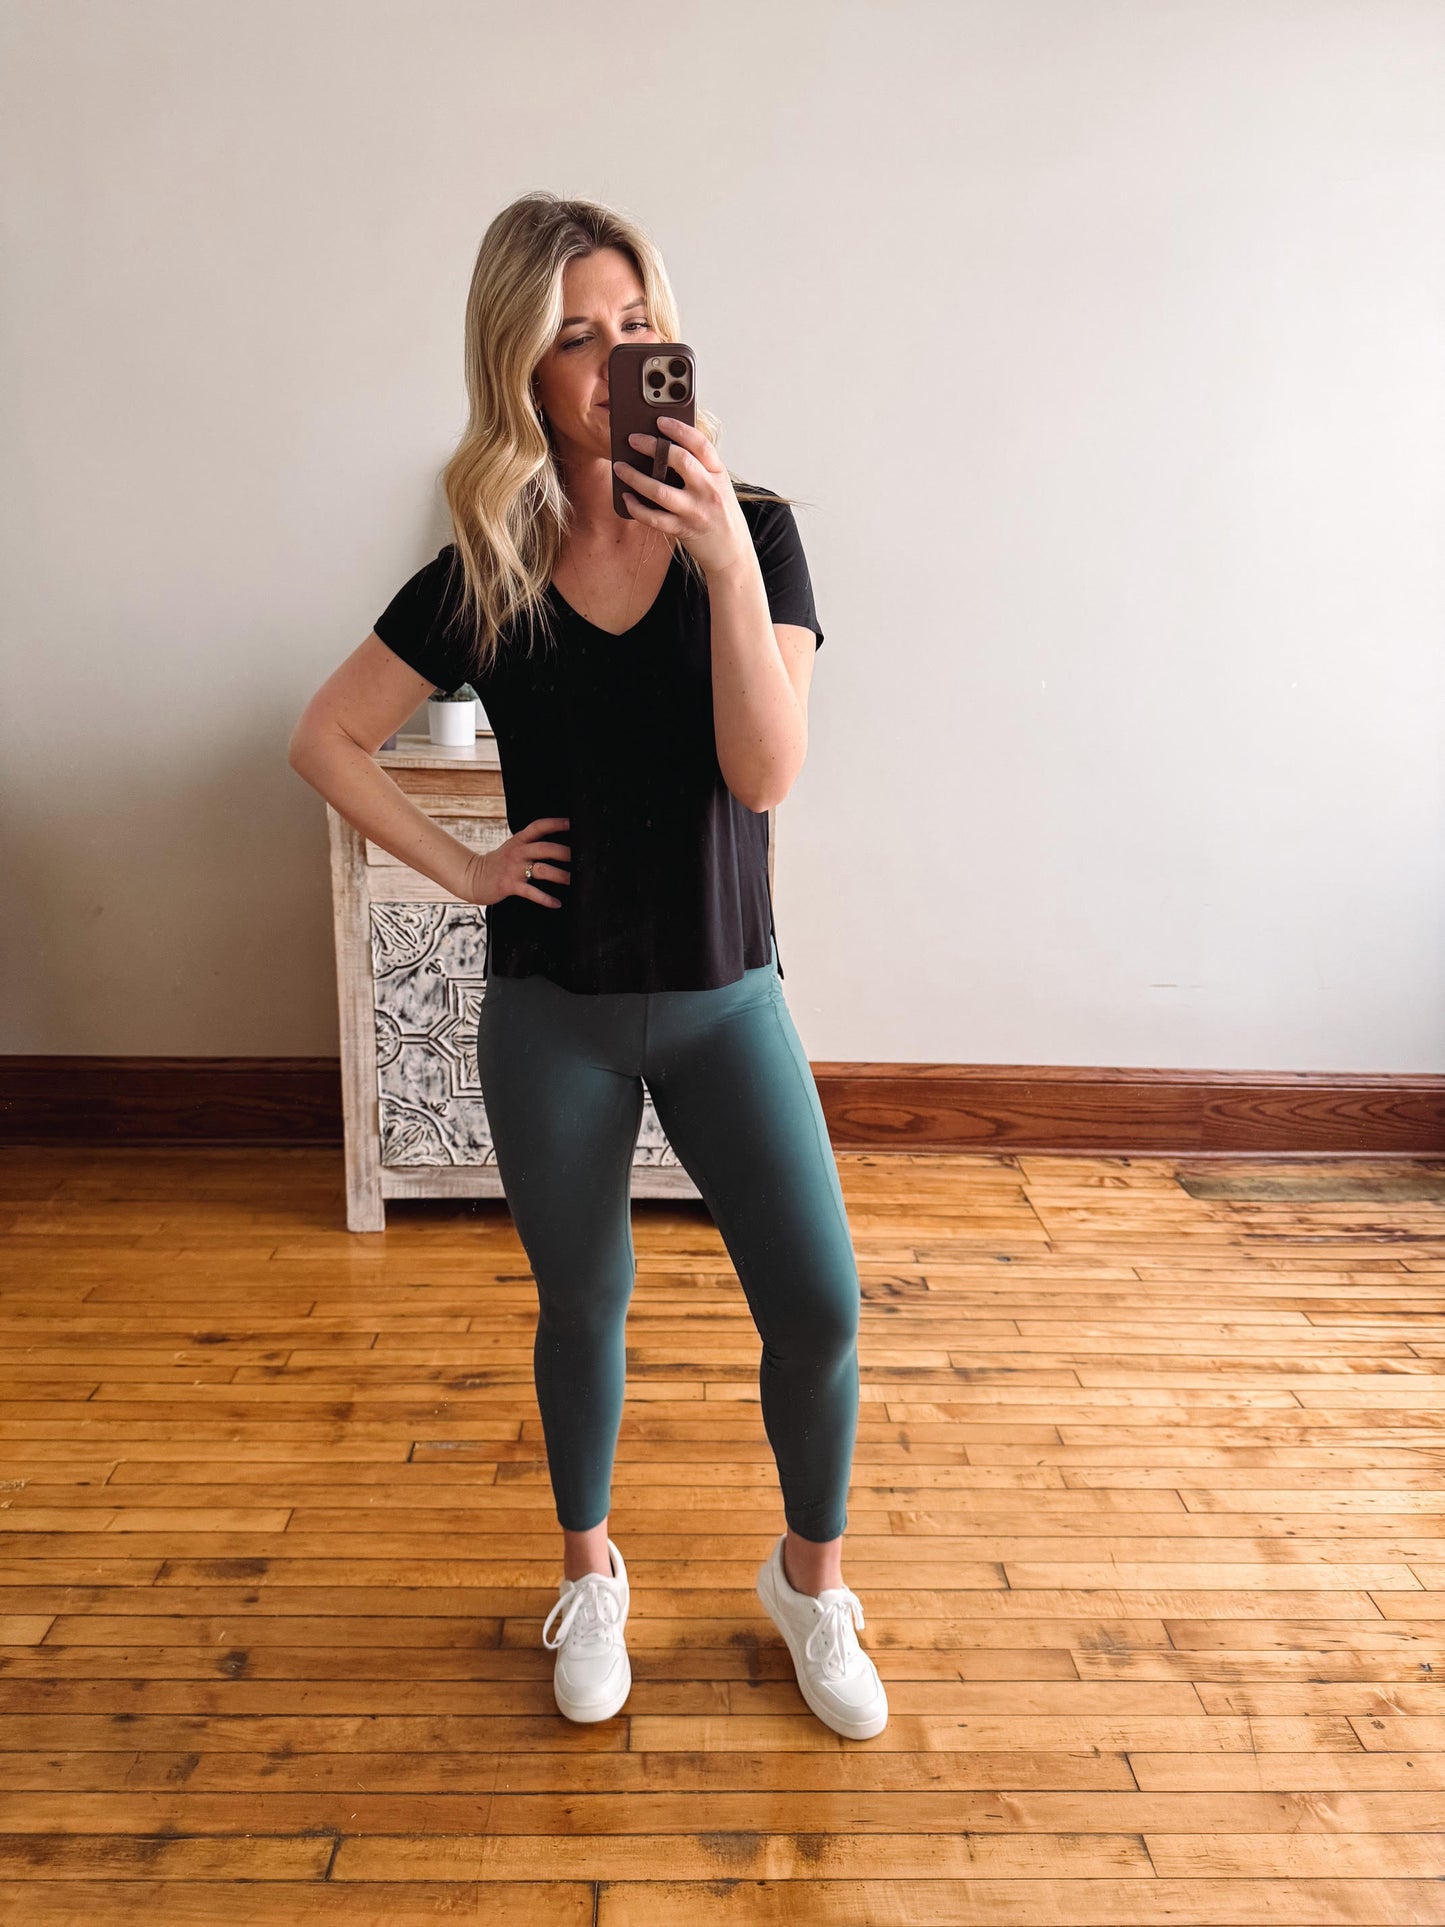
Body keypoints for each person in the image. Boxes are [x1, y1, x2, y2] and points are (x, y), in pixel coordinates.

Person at [287, 192, 887, 1741]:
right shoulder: (486, 568)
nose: (617, 357)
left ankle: (809, 1586)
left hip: (725, 999)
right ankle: (590, 1574)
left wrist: (725, 568)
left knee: (819, 1308)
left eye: (636, 326)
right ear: (524, 372)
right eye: (576, 336)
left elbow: (764, 776)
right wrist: (467, 867)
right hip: (550, 1008)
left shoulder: (755, 531)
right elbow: (327, 738)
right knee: (584, 1306)